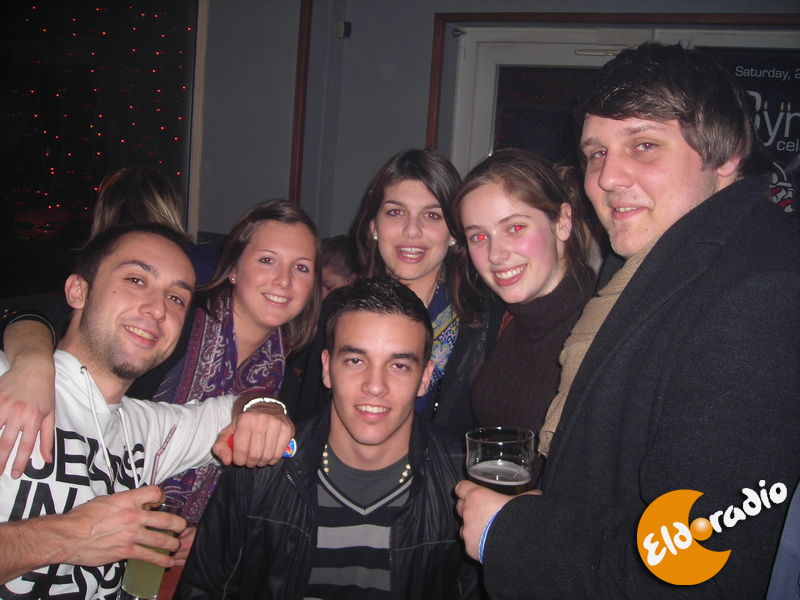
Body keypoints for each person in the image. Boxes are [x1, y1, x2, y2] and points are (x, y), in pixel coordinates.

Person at [455, 42, 799, 598]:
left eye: (643, 145)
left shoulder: (760, 288)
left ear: (726, 154)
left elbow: (700, 555)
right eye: (595, 153)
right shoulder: (653, 264)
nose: (608, 177)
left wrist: (510, 532)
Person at [0, 223, 293, 599]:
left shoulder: (148, 428)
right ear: (78, 291)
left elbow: (241, 407)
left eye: (176, 299)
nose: (157, 309)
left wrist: (266, 409)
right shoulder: (10, 383)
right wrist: (69, 536)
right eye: (136, 280)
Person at [177, 277, 479, 599]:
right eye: (355, 361)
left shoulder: (464, 485)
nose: (375, 386)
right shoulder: (262, 467)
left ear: (425, 378)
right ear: (326, 368)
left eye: (399, 366)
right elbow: (204, 589)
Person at [296, 149, 500, 435]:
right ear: (374, 226)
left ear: (454, 233)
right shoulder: (337, 308)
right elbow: (311, 417)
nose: (412, 231)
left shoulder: (487, 317)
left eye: (431, 215)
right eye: (396, 212)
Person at [452, 149, 595, 476]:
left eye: (515, 228)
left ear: (562, 222)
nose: (496, 254)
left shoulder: (599, 328)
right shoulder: (506, 320)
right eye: (478, 236)